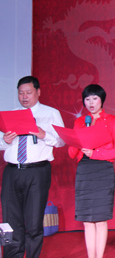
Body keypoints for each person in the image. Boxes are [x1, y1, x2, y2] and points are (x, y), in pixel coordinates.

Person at [0, 76, 65, 258]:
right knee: (11, 220)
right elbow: (1, 144)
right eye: (21, 93)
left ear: (38, 92)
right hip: (12, 171)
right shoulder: (10, 114)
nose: (24, 96)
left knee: (34, 221)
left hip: (37, 172)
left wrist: (44, 134)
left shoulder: (50, 113)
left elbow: (61, 141)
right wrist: (5, 140)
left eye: (28, 92)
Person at [68, 84, 115, 258]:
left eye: (95, 98)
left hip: (103, 170)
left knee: (100, 220)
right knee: (87, 220)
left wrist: (95, 153)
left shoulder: (111, 120)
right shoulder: (79, 122)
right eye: (87, 99)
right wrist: (78, 141)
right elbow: (71, 153)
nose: (91, 103)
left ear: (102, 100)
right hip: (85, 171)